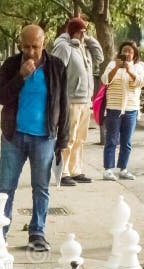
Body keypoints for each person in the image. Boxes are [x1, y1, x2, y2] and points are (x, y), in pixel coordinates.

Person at [0, 24, 68, 252]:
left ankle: (37, 232)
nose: (30, 51)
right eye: (25, 46)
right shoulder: (10, 65)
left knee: (41, 187)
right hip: (13, 136)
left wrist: (63, 141)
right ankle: (0, 232)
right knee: (6, 186)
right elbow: (0, 97)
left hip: (44, 137)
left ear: (43, 44)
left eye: (35, 46)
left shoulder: (55, 66)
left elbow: (63, 104)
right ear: (20, 45)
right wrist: (21, 76)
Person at [51, 16, 104, 186]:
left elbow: (100, 57)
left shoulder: (83, 47)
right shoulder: (63, 47)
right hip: (71, 100)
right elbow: (56, 72)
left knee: (81, 138)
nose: (84, 35)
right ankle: (63, 171)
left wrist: (87, 38)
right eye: (82, 31)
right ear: (74, 31)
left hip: (85, 100)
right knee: (69, 137)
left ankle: (76, 169)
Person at [100, 40, 144, 181]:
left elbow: (141, 82)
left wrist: (129, 70)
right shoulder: (112, 64)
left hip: (131, 109)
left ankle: (123, 169)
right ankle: (108, 169)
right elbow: (104, 80)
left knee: (126, 141)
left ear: (134, 54)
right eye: (124, 50)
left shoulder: (138, 67)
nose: (126, 53)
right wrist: (116, 68)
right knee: (111, 140)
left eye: (130, 52)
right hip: (114, 108)